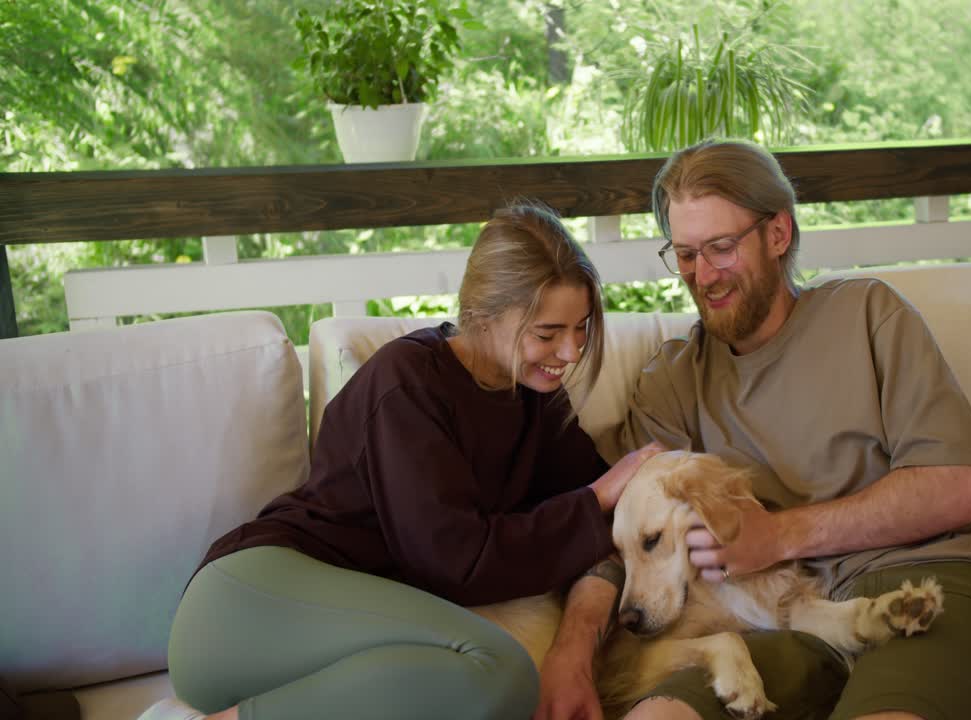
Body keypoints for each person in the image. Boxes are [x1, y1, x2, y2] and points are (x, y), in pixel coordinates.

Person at [535, 139, 971, 720]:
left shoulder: (868, 314)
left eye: (721, 247)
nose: (702, 275)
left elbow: (961, 488)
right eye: (684, 254)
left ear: (778, 235)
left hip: (925, 587)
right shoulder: (674, 379)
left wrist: (778, 536)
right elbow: (622, 532)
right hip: (775, 624)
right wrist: (572, 651)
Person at [141, 203, 661, 720]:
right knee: (498, 670)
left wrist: (576, 642)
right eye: (547, 333)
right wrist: (595, 498)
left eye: (582, 328)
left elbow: (606, 527)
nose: (570, 352)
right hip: (245, 609)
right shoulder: (407, 383)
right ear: (482, 314)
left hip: (334, 647)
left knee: (489, 685)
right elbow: (458, 564)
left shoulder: (536, 401)